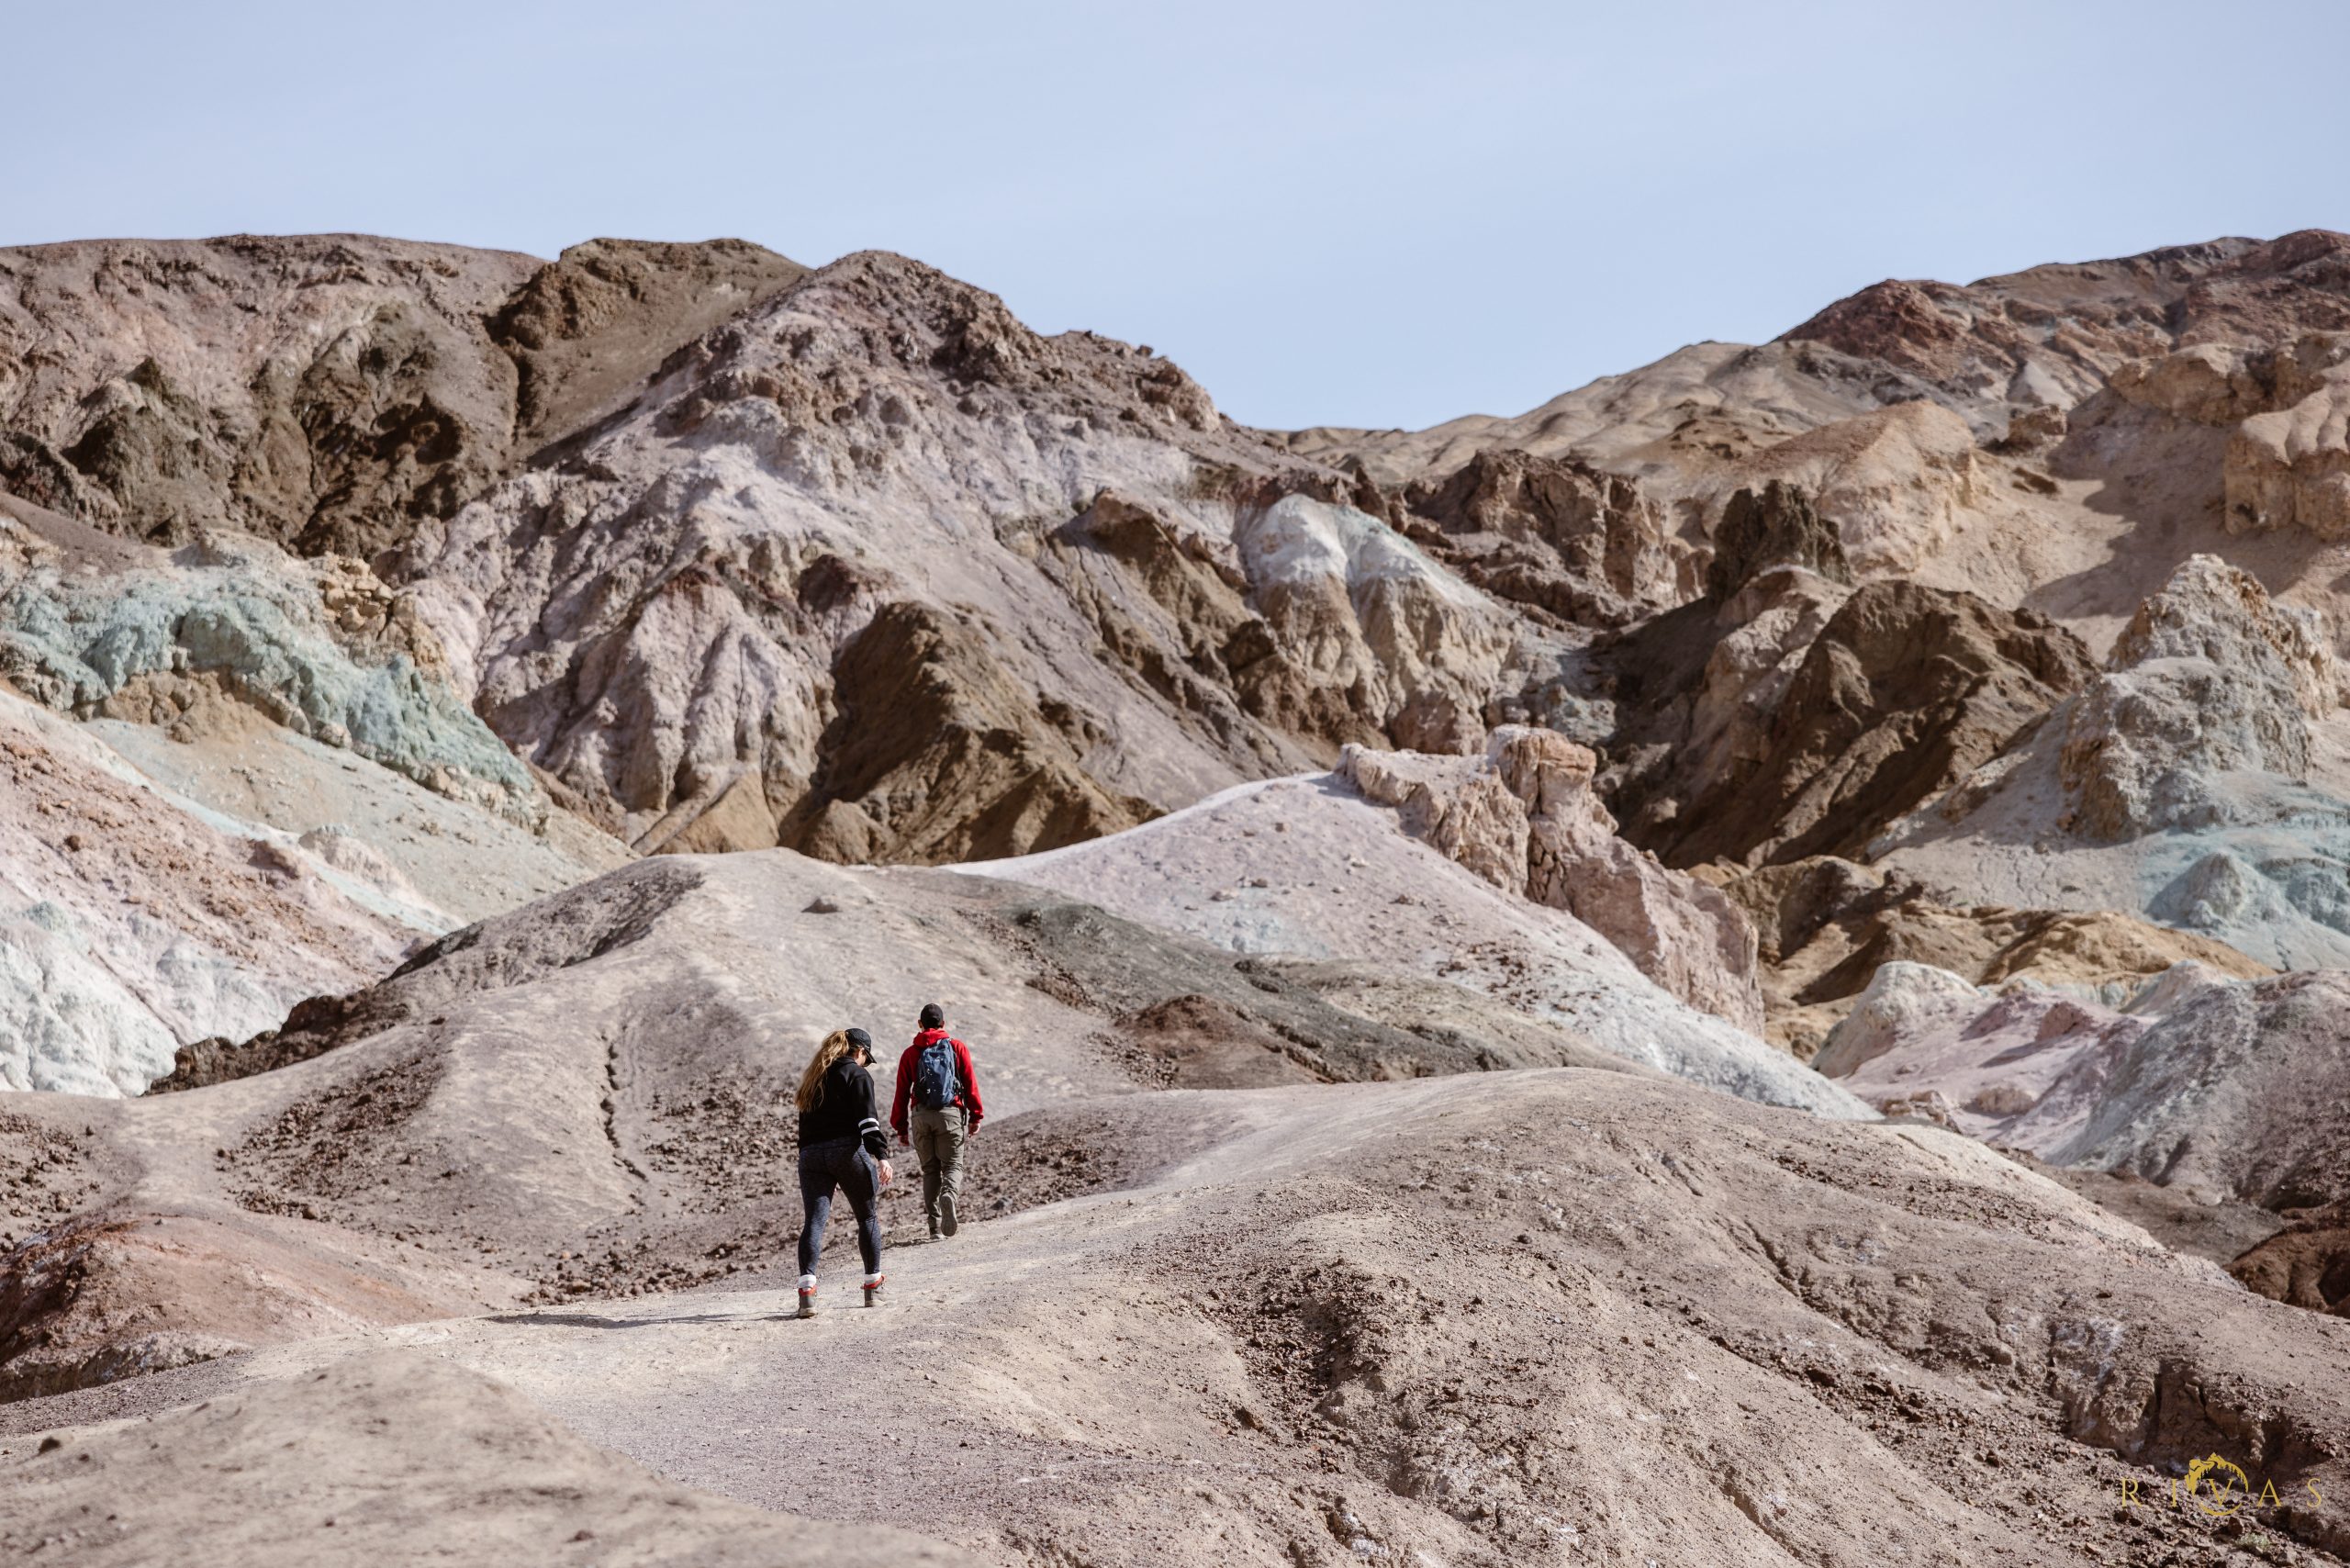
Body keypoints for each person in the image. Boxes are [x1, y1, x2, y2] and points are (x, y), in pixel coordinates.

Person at [794, 1027, 893, 1316]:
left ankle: (807, 1292)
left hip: (810, 1156)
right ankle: (873, 1287)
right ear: (859, 1051)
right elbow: (868, 1123)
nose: (865, 1064)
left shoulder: (814, 1077)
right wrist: (881, 1157)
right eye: (866, 1059)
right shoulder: (856, 1074)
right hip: (846, 1151)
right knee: (867, 1217)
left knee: (814, 1222)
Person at [890, 1002, 984, 1240]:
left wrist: (901, 1128)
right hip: (950, 1113)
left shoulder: (910, 1053)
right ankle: (949, 1195)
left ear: (919, 1024)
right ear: (943, 1024)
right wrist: (976, 1115)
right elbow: (970, 1083)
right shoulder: (956, 1047)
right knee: (953, 1165)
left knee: (930, 1170)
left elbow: (901, 1092)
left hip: (921, 1116)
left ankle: (934, 1228)